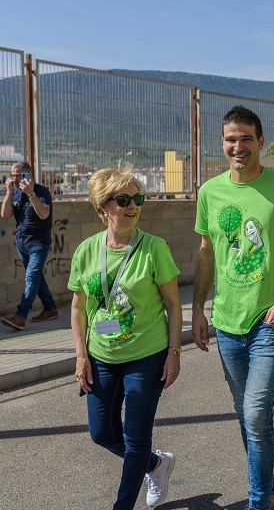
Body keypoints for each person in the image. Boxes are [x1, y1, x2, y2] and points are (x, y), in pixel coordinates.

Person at [191, 105, 274, 510]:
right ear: (223, 144)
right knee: (247, 414)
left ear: (261, 142)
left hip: (272, 320)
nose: (238, 146)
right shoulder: (209, 192)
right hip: (227, 323)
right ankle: (269, 490)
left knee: (255, 411)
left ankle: (259, 500)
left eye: (247, 138)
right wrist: (197, 309)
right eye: (231, 139)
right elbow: (207, 253)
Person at [68, 165, 182, 510]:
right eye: (123, 199)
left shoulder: (154, 248)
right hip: (100, 354)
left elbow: (174, 305)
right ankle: (155, 464)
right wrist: (81, 354)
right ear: (103, 207)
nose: (133, 206)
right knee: (101, 433)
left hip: (146, 356)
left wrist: (174, 352)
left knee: (135, 439)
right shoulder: (87, 250)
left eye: (138, 198)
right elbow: (77, 308)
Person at [1, 161, 58, 331]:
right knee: (37, 277)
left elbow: (44, 214)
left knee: (31, 278)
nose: (15, 178)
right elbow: (5, 214)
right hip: (21, 243)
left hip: (38, 243)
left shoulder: (41, 191)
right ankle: (50, 308)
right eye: (12, 175)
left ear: (28, 175)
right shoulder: (16, 192)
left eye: (18, 175)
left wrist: (30, 193)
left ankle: (21, 316)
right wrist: (9, 191)